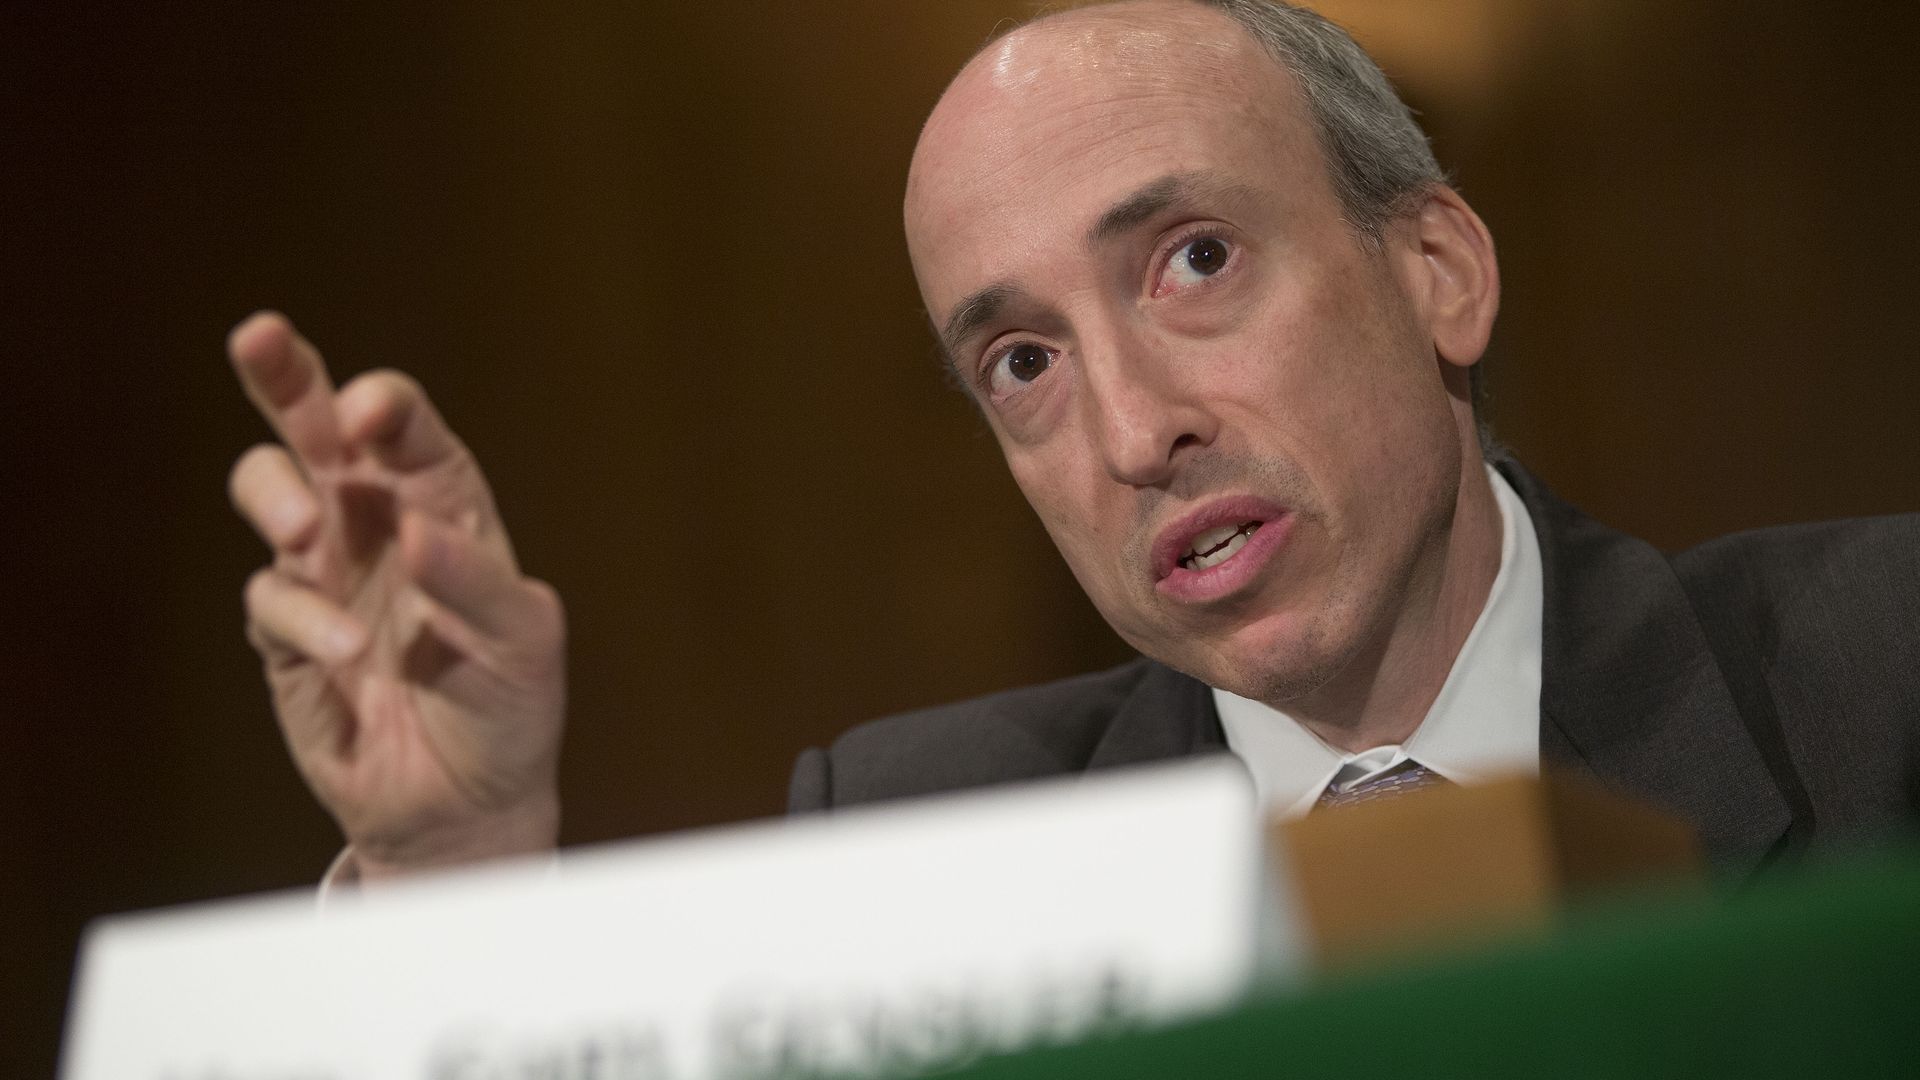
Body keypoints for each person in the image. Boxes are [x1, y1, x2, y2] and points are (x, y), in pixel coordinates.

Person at [226, 0, 1917, 886]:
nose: (1132, 431)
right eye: (1024, 360)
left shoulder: (1878, 680)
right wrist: (449, 868)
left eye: (1194, 261)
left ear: (1437, 271)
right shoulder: (923, 839)